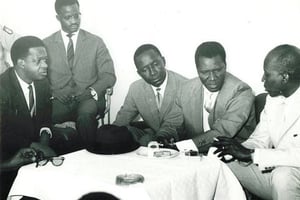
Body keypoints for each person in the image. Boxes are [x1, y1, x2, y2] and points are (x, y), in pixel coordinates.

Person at [213, 44, 300, 200]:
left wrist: (252, 155)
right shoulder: (272, 100)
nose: (262, 79)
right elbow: (260, 139)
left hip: (289, 176)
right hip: (276, 172)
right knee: (219, 159)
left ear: (284, 77)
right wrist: (236, 150)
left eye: (267, 74)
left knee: (283, 176)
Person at [43, 0, 116, 145]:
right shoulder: (45, 44)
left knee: (85, 117)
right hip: (59, 100)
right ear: (58, 18)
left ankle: (90, 155)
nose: (74, 21)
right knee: (41, 118)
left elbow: (109, 75)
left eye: (77, 16)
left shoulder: (96, 42)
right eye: (68, 17)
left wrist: (91, 91)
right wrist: (53, 92)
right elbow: (39, 77)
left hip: (88, 99)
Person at [0, 36, 56, 199]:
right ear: (21, 63)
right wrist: (34, 145)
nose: (45, 66)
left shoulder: (42, 83)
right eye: (38, 61)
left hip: (33, 147)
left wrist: (44, 141)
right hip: (6, 152)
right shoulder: (2, 88)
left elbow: (45, 118)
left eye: (46, 60)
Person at [175, 41, 256, 152]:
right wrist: (165, 138)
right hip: (193, 155)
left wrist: (182, 147)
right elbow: (175, 123)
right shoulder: (185, 88)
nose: (212, 78)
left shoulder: (241, 90)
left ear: (225, 66)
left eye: (217, 70)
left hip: (231, 156)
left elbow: (222, 132)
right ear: (197, 70)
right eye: (205, 72)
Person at [113, 44, 187, 146]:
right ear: (139, 73)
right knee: (119, 133)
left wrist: (154, 140)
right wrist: (110, 134)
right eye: (145, 70)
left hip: (178, 140)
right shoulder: (136, 88)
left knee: (146, 140)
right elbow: (122, 119)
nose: (152, 72)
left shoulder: (184, 86)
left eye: (155, 64)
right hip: (152, 136)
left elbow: (173, 125)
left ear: (164, 61)